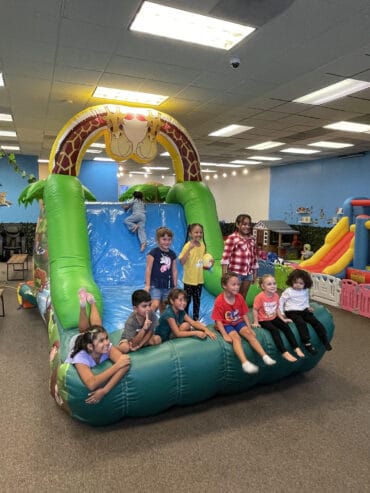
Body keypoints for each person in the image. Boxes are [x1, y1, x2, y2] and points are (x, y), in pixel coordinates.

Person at [66, 288, 130, 405]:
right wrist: (117, 366)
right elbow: (91, 384)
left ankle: (91, 302)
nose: (106, 342)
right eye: (102, 341)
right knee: (83, 331)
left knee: (96, 328)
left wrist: (105, 390)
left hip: (91, 341)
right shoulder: (81, 357)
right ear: (90, 347)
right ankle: (83, 307)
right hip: (77, 341)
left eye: (106, 338)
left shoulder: (106, 347)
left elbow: (125, 363)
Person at [212, 272, 276, 374]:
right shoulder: (219, 301)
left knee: (249, 335)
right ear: (224, 286)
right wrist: (224, 334)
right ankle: (245, 362)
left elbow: (244, 314)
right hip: (226, 324)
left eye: (238, 284)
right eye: (233, 285)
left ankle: (265, 356)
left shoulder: (239, 297)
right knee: (236, 338)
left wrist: (249, 328)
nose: (237, 287)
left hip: (238, 322)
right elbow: (218, 320)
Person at [252, 274, 305, 362]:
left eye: (274, 283)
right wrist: (256, 322)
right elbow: (255, 310)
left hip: (274, 317)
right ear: (262, 286)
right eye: (269, 284)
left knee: (286, 327)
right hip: (263, 320)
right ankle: (284, 352)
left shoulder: (276, 296)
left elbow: (277, 309)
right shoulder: (260, 297)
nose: (273, 286)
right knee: (274, 330)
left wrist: (283, 319)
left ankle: (296, 347)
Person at [279, 269, 332, 353]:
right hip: (292, 311)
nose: (298, 285)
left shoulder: (305, 290)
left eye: (301, 283)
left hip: (303, 310)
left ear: (305, 284)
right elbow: (281, 301)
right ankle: (307, 343)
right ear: (291, 281)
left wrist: (308, 307)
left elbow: (305, 299)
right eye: (295, 282)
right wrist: (281, 313)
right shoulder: (288, 291)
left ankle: (324, 340)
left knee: (315, 322)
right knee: (301, 323)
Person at [221, 214, 258, 300]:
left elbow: (254, 257)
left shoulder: (252, 239)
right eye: (244, 224)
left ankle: (239, 313)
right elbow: (225, 258)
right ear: (238, 225)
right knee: (232, 295)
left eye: (249, 224)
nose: (247, 226)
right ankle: (230, 313)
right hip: (235, 273)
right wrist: (224, 275)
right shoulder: (232, 238)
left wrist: (255, 273)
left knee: (243, 296)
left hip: (248, 274)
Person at [179, 223, 210, 321]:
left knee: (197, 299)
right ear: (190, 234)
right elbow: (182, 261)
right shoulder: (187, 245)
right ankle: (185, 318)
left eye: (201, 232)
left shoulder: (202, 245)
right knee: (186, 300)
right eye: (196, 232)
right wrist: (188, 249)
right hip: (189, 279)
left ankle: (196, 318)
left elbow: (202, 261)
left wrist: (209, 263)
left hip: (199, 279)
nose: (199, 234)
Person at [145, 226, 178, 313]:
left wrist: (175, 285)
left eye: (169, 239)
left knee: (164, 306)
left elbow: (174, 270)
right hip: (155, 284)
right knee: (155, 304)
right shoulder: (153, 253)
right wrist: (147, 285)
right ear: (158, 240)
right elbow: (148, 269)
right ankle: (147, 322)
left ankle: (162, 324)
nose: (167, 242)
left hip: (167, 285)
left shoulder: (172, 254)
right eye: (164, 239)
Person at [118, 289, 162, 353]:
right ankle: (112, 350)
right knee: (125, 348)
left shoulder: (151, 314)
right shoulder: (130, 322)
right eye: (144, 306)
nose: (148, 309)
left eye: (149, 305)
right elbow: (133, 344)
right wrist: (144, 329)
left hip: (144, 338)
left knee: (157, 339)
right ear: (135, 309)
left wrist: (140, 345)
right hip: (130, 341)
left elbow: (150, 332)